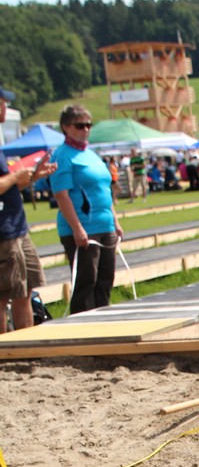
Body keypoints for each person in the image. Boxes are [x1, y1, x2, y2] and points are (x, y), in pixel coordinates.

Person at [49, 104, 123, 316]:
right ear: (66, 127)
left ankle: (104, 322)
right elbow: (62, 195)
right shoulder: (62, 156)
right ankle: (83, 325)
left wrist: (115, 221)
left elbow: (103, 190)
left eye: (89, 125)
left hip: (105, 224)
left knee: (105, 279)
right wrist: (77, 228)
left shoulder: (91, 155)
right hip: (83, 227)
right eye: (80, 125)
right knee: (86, 282)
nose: (86, 129)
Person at [0, 87, 57, 332]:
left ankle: (25, 343)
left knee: (25, 291)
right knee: (3, 295)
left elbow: (7, 186)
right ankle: (5, 348)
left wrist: (32, 177)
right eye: (3, 102)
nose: (5, 108)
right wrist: (16, 177)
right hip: (4, 232)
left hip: (16, 227)